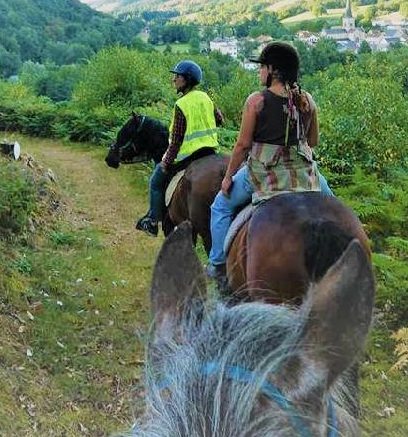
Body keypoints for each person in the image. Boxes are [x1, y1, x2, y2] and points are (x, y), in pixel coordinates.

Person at [206, 42, 333, 281]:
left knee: (220, 206)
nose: (258, 71)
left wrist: (227, 178)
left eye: (261, 66)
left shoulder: (256, 101)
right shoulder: (307, 100)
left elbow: (243, 145)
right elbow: (313, 141)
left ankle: (217, 265)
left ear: (273, 70)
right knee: (334, 207)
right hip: (303, 174)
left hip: (265, 174)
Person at [135, 60, 223, 236]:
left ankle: (152, 221)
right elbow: (220, 120)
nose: (174, 80)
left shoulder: (181, 105)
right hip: (211, 153)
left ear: (187, 79)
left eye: (177, 76)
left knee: (155, 181)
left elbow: (175, 142)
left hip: (188, 158)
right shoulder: (205, 97)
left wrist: (165, 163)